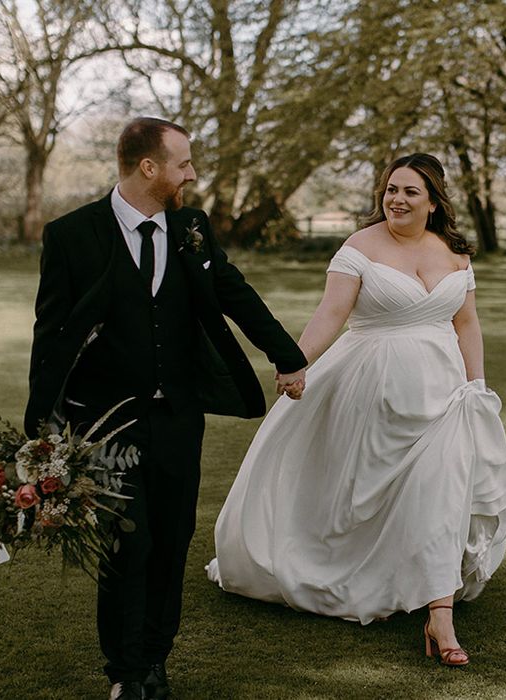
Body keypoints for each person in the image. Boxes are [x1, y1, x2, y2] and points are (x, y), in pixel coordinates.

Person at [24, 117, 307, 700]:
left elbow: (234, 293)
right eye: (183, 163)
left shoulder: (190, 228)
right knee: (129, 544)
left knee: (173, 538)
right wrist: (40, 431)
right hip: (103, 425)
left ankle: (155, 660)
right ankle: (126, 673)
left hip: (179, 418)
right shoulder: (73, 235)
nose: (192, 173)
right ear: (148, 168)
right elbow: (50, 333)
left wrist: (288, 356)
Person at [207, 153, 506, 667]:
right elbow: (332, 312)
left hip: (444, 392)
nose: (396, 199)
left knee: (441, 488)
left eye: (410, 191)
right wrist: (295, 362)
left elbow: (467, 323)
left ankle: (440, 614)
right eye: (391, 189)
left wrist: (476, 385)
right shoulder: (360, 247)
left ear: (434, 201)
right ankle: (373, 572)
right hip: (373, 385)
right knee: (364, 496)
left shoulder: (456, 252)